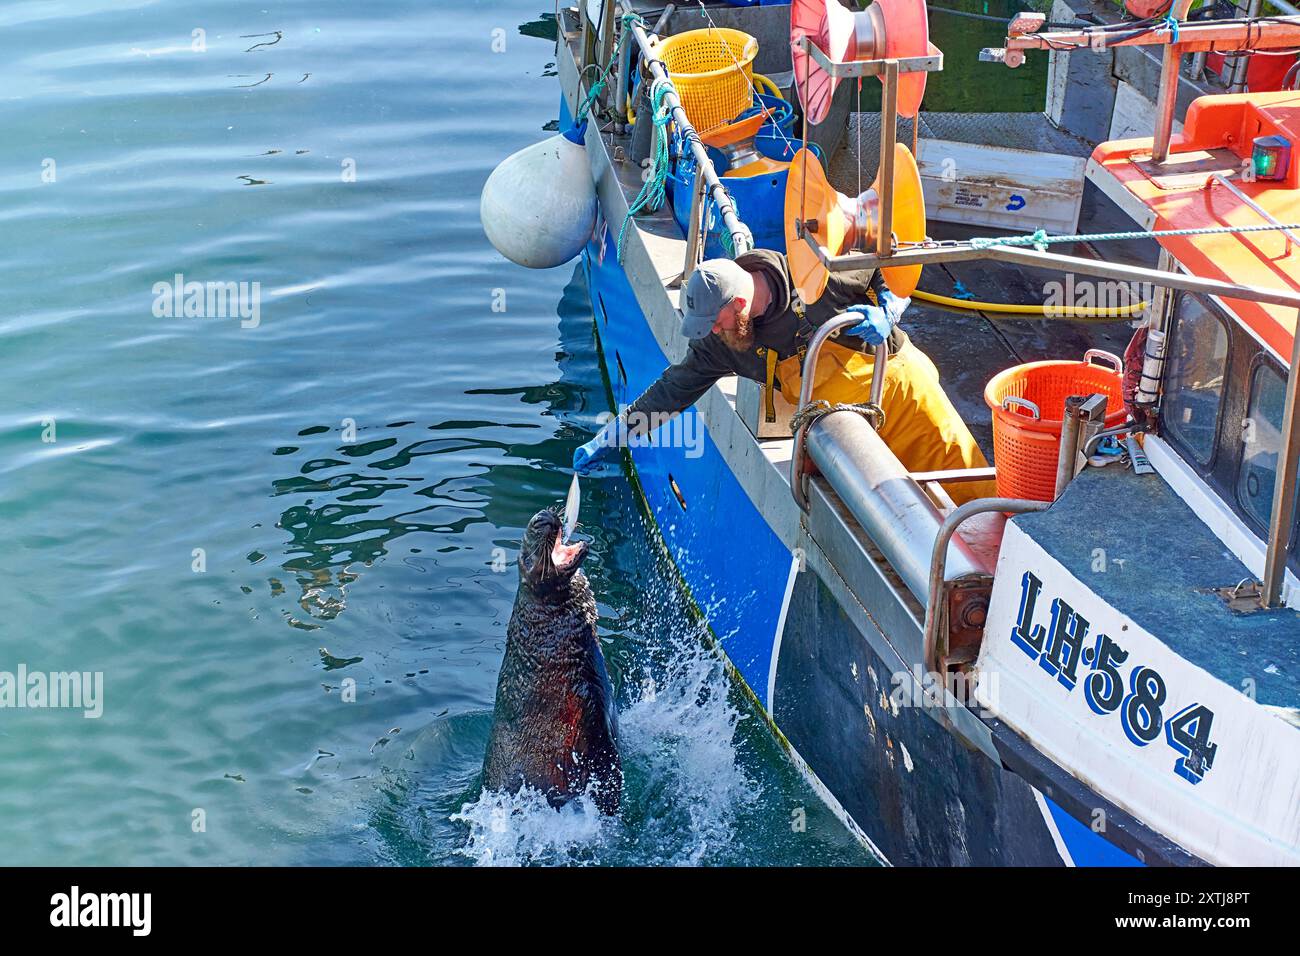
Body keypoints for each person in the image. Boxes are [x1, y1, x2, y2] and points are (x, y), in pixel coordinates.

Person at [574, 250, 993, 504]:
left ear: (739, 302)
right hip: (844, 428)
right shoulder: (724, 342)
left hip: (904, 398)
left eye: (715, 322)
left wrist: (889, 310)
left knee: (969, 489)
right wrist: (613, 436)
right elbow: (673, 389)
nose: (713, 332)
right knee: (896, 514)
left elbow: (887, 265)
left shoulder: (813, 275)